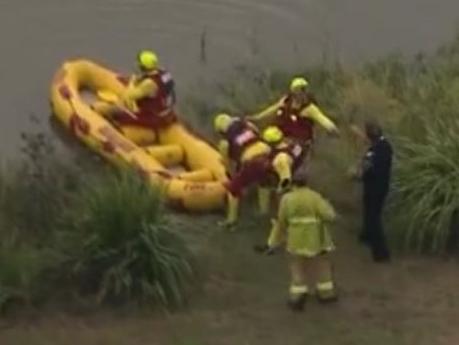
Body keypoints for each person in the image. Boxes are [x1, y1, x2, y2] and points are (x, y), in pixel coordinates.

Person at [259, 168, 338, 311]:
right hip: (317, 238)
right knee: (322, 265)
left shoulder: (287, 199)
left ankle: (298, 297)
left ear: (293, 183)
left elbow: (281, 222)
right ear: (307, 182)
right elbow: (330, 216)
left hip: (296, 239)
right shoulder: (315, 197)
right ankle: (326, 294)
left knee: (297, 267)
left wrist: (273, 242)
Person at [214, 114, 294, 227]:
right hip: (268, 154)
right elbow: (259, 134)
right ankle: (264, 212)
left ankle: (231, 221)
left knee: (233, 190)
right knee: (264, 183)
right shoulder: (247, 125)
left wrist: (233, 175)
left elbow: (226, 162)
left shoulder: (225, 141)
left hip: (252, 162)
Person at [93, 50, 176, 145]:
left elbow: (128, 96)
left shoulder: (149, 84)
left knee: (117, 114)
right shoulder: (164, 74)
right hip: (167, 114)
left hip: (152, 117)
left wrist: (132, 81)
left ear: (143, 66)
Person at [248, 77, 339, 148]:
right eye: (299, 90)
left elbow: (322, 119)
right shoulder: (285, 101)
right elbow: (271, 110)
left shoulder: (309, 108)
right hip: (279, 137)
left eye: (304, 90)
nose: (302, 93)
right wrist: (256, 118)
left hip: (298, 142)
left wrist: (332, 129)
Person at [350, 121, 393, 263]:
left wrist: (356, 174)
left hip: (376, 188)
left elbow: (369, 166)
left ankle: (381, 252)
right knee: (368, 210)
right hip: (375, 186)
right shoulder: (381, 145)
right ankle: (366, 236)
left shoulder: (379, 149)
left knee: (374, 217)